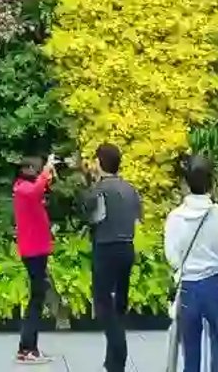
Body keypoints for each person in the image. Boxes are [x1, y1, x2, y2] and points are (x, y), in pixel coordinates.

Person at [165, 155, 218, 372]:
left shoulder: (175, 217)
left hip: (189, 288)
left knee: (191, 357)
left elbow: (172, 258)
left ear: (185, 183)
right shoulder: (217, 212)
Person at [82, 142, 143, 372]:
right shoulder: (130, 189)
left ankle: (118, 357)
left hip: (106, 248)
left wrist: (89, 183)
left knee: (103, 305)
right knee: (119, 306)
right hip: (126, 247)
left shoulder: (100, 190)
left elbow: (91, 216)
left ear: (99, 162)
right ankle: (112, 361)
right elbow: (137, 217)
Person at [13, 153, 67, 365]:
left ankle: (26, 347)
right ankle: (28, 348)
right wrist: (47, 171)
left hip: (36, 250)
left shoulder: (26, 189)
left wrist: (49, 172)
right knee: (37, 299)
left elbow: (42, 187)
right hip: (34, 251)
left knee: (37, 298)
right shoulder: (24, 190)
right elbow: (37, 188)